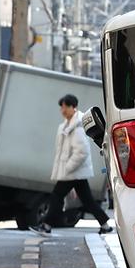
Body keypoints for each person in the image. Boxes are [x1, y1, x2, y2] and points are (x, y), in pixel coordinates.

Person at [31, 94, 113, 236]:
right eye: (61, 107)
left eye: (64, 107)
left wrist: (67, 169)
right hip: (75, 173)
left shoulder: (78, 127)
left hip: (73, 172)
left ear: (72, 107)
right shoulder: (68, 125)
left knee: (56, 196)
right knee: (87, 201)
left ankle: (46, 225)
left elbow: (81, 153)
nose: (62, 110)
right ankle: (105, 225)